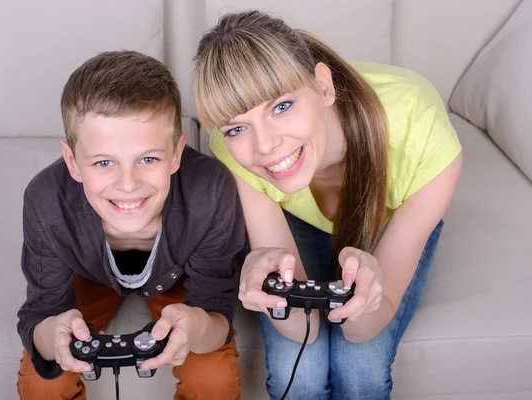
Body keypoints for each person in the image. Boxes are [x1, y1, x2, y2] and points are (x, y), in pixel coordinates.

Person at [192, 10, 463, 400]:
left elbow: (364, 329)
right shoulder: (232, 151)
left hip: (389, 218)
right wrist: (269, 300)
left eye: (281, 106)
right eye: (237, 127)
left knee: (361, 369)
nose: (265, 145)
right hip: (296, 219)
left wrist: (368, 300)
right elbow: (305, 329)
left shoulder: (422, 133)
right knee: (297, 373)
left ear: (323, 86)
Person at [16, 50, 245, 400]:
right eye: (104, 162)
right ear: (73, 163)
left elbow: (216, 311)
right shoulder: (47, 202)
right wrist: (53, 336)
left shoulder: (210, 192)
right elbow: (42, 314)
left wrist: (197, 327)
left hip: (181, 278)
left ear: (177, 152)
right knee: (43, 382)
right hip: (86, 274)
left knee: (211, 380)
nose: (127, 184)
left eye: (149, 159)